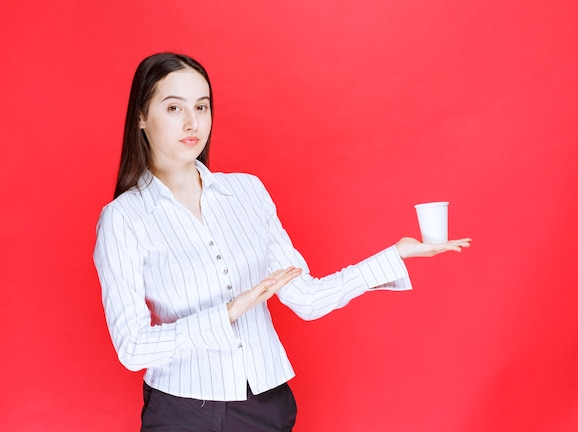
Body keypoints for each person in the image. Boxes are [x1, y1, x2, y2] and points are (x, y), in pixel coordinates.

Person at [93, 52, 471, 432]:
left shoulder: (247, 192)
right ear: (141, 116)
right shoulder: (123, 219)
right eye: (174, 107)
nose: (193, 122)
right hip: (181, 412)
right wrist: (227, 312)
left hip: (265, 406)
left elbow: (306, 298)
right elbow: (133, 347)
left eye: (202, 107)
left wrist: (395, 255)